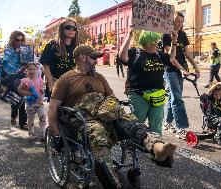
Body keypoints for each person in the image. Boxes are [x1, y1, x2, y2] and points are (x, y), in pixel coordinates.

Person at [48, 45, 177, 188]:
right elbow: (53, 108)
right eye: (94, 58)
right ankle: (111, 182)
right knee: (98, 134)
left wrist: (111, 108)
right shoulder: (65, 79)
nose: (96, 61)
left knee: (131, 122)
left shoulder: (99, 77)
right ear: (82, 58)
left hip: (106, 113)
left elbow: (112, 98)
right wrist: (56, 135)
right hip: (83, 118)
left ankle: (157, 147)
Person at [118, 28, 177, 135]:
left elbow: (171, 58)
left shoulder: (159, 54)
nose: (156, 44)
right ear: (146, 42)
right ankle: (134, 147)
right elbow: (122, 56)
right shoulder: (135, 53)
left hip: (158, 94)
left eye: (156, 41)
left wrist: (174, 42)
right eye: (153, 42)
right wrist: (129, 36)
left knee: (156, 124)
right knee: (137, 124)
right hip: (139, 94)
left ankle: (157, 148)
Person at [162, 11, 200, 139]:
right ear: (172, 21)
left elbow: (187, 53)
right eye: (177, 21)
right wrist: (181, 69)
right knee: (177, 98)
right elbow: (170, 57)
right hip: (171, 70)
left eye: (181, 21)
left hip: (181, 69)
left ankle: (167, 123)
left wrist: (195, 66)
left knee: (174, 97)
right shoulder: (166, 35)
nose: (179, 23)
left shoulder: (183, 35)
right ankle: (181, 128)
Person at [39, 18, 78, 101]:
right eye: (68, 27)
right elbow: (45, 66)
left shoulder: (77, 47)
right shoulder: (52, 45)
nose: (71, 30)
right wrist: (51, 84)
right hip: (56, 85)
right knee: (57, 112)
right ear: (61, 29)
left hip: (73, 86)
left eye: (74, 28)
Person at [2, 30, 27, 130]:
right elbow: (5, 62)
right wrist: (15, 52)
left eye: (22, 40)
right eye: (17, 40)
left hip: (23, 76)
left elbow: (28, 61)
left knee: (23, 100)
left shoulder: (25, 49)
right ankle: (13, 116)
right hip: (13, 77)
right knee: (15, 99)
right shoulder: (8, 50)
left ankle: (23, 122)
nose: (20, 42)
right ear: (12, 40)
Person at [18, 62, 46, 140]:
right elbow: (19, 90)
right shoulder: (25, 81)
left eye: (34, 69)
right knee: (31, 119)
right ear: (27, 71)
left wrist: (42, 95)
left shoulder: (40, 80)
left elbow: (42, 90)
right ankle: (31, 132)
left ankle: (43, 132)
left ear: (37, 70)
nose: (32, 71)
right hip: (30, 103)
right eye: (30, 69)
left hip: (39, 102)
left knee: (43, 117)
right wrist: (29, 93)